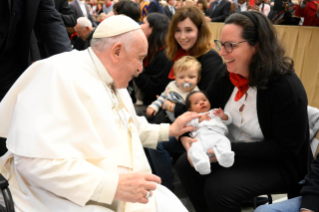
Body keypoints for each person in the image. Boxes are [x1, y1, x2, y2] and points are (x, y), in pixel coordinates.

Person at [0, 15, 199, 212]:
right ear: (117, 51)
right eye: (139, 59)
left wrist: (171, 130)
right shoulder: (57, 73)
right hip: (64, 196)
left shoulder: (114, 77)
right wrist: (112, 186)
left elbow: (130, 127)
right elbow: (34, 162)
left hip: (125, 190)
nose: (140, 69)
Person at [175, 11, 311, 212]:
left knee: (219, 188)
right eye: (221, 44)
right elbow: (197, 105)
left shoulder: (285, 87)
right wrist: (185, 137)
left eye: (230, 45)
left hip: (279, 163)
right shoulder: (228, 75)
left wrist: (229, 148)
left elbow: (286, 149)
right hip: (238, 150)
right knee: (185, 166)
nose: (222, 52)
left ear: (256, 46)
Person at [145, 5, 224, 191]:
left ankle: (166, 190)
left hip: (202, 128)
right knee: (146, 134)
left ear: (200, 31)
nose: (182, 36)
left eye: (188, 30)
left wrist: (170, 107)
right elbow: (169, 91)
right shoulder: (179, 55)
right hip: (182, 121)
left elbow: (204, 108)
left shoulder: (210, 59)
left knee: (155, 142)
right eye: (178, 31)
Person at [185, 91, 234, 175]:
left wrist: (223, 116)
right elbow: (185, 124)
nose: (201, 103)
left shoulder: (214, 112)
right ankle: (202, 163)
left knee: (224, 141)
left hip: (216, 135)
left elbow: (228, 121)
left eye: (204, 100)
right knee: (193, 150)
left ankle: (224, 155)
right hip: (200, 139)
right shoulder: (191, 117)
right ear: (190, 109)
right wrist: (199, 119)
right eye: (196, 102)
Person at [133, 13, 173, 107]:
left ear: (152, 29)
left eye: (143, 23)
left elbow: (156, 90)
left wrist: (138, 74)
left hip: (154, 106)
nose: (140, 26)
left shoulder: (165, 55)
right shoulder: (151, 49)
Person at [146, 56, 200, 122]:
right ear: (176, 79)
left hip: (183, 122)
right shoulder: (172, 85)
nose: (186, 80)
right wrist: (154, 106)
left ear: (198, 79)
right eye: (181, 77)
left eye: (191, 77)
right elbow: (163, 96)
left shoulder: (196, 94)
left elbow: (195, 111)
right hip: (166, 115)